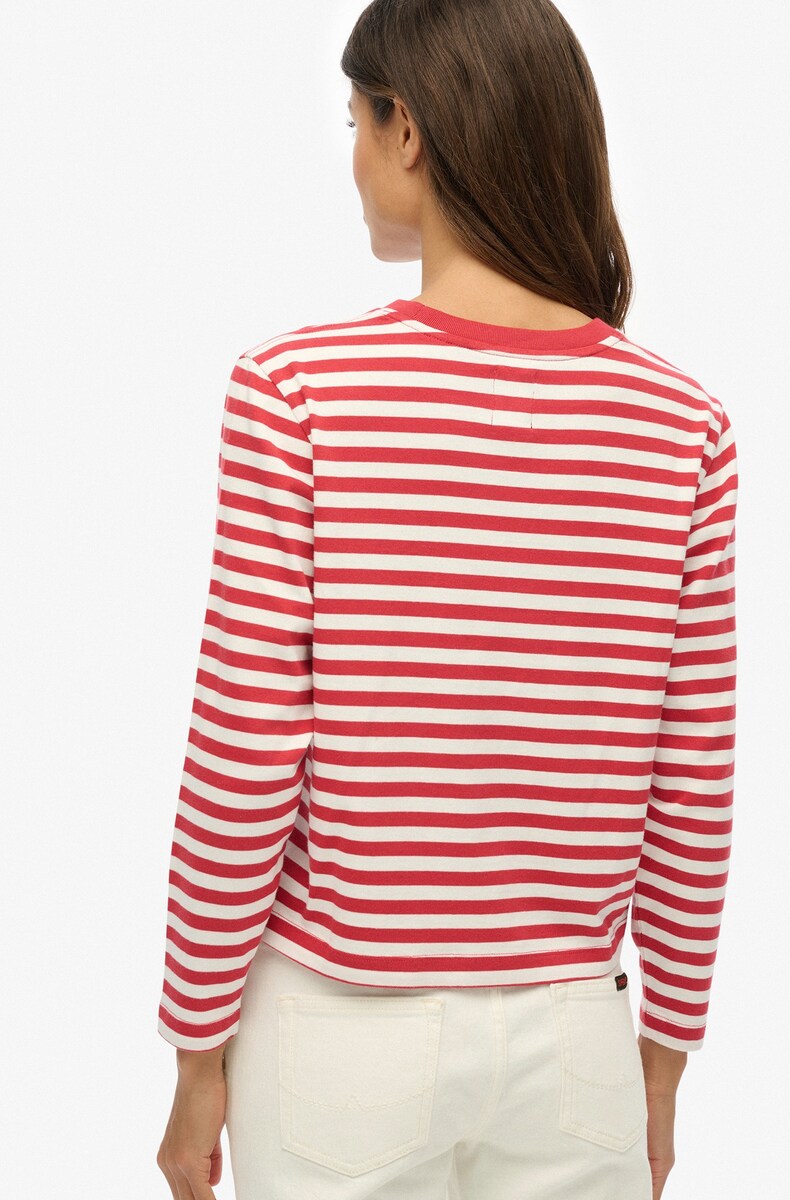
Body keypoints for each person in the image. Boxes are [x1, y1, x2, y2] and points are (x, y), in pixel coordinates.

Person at [156, 2, 738, 1199]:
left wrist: (196, 1047)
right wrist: (662, 1061)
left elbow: (245, 750)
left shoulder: (298, 393)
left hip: (340, 1030)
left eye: (355, 123)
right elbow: (693, 782)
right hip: (579, 1040)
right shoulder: (684, 427)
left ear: (408, 129)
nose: (353, 158)